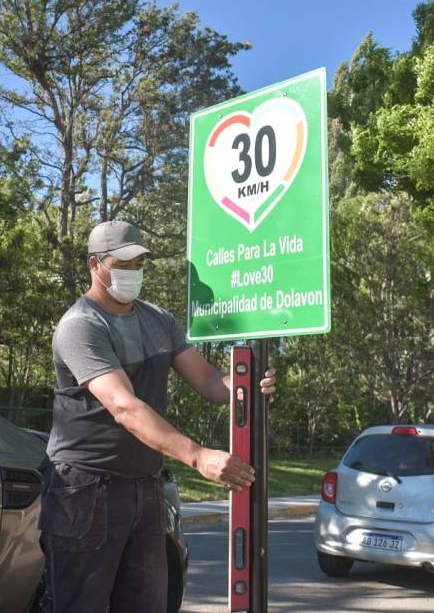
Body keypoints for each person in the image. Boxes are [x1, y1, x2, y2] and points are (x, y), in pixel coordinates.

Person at [40, 220, 276, 613]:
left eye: (139, 263)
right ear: (94, 264)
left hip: (146, 487)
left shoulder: (159, 321)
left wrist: (248, 385)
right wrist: (198, 456)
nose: (132, 273)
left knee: (149, 604)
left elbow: (211, 383)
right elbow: (123, 406)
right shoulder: (80, 327)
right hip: (84, 490)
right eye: (122, 264)